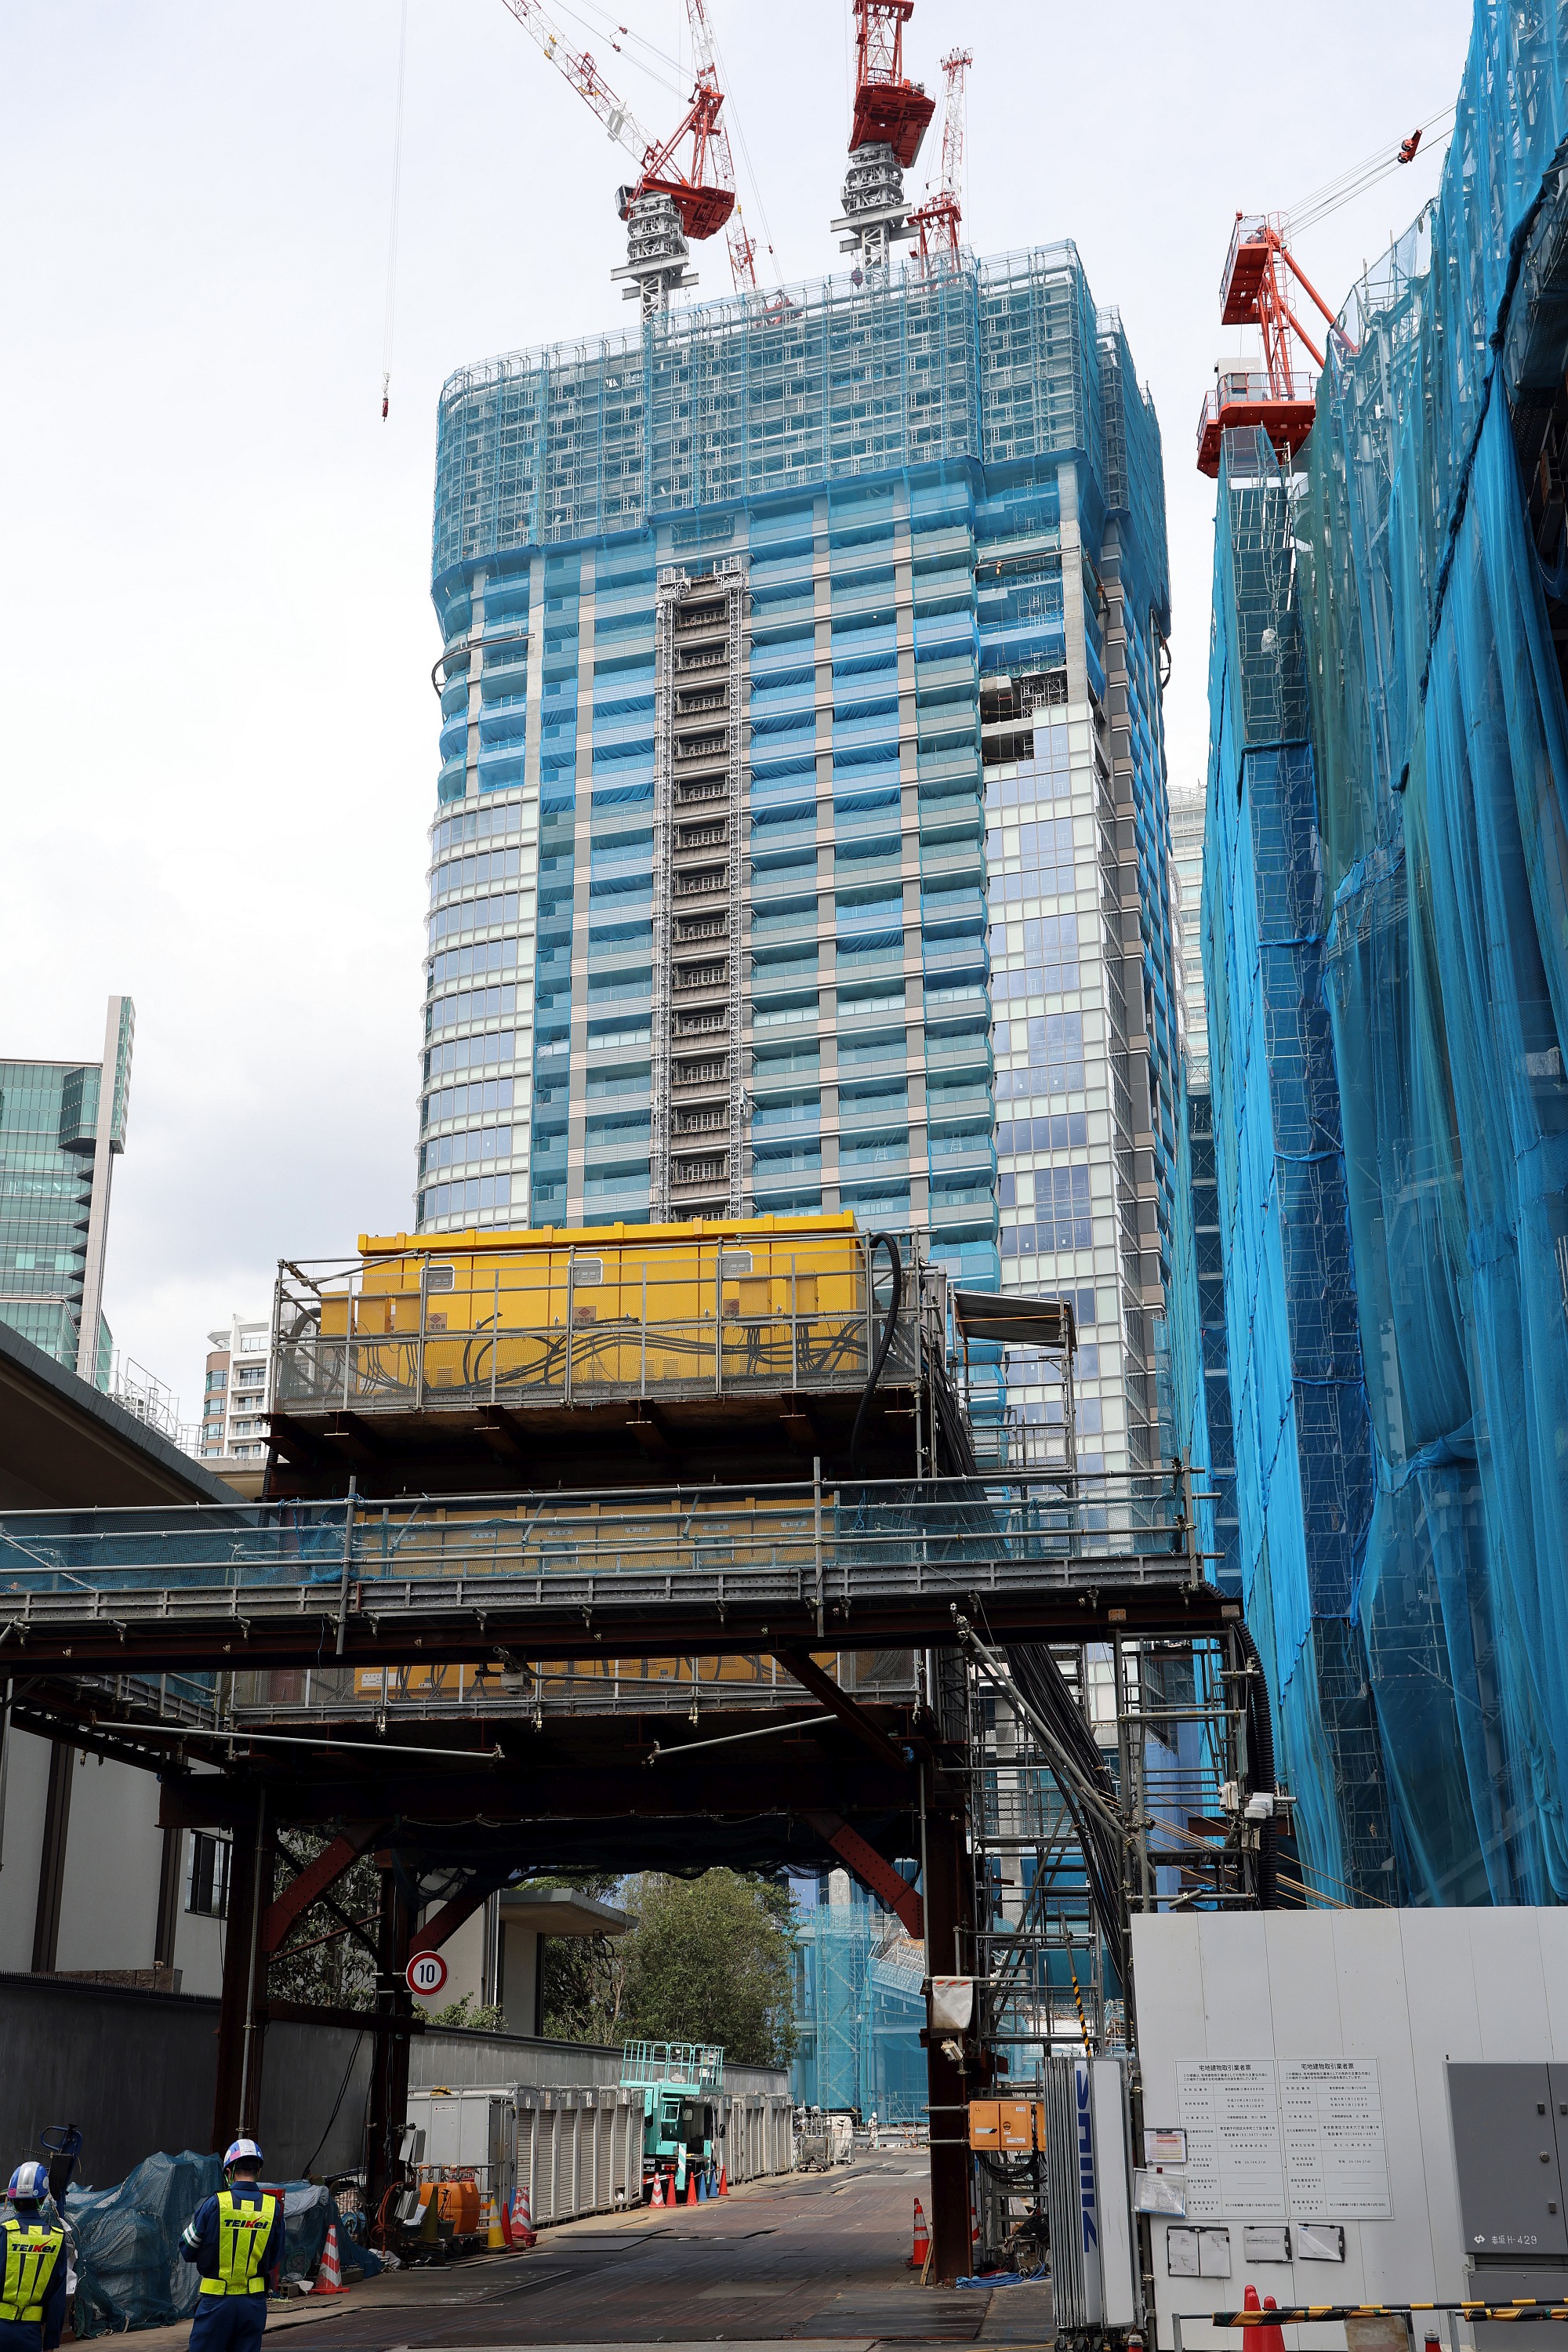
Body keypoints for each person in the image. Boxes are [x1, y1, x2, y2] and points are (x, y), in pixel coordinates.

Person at [179, 2140, 281, 2350]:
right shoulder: (274, 2208)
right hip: (253, 2305)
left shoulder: (215, 2204)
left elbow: (187, 2248)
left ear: (228, 2171)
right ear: (258, 2171)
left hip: (216, 2305)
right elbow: (275, 2256)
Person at [0, 2162, 67, 2352]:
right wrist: (51, 2343)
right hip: (31, 2336)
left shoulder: (4, 2233)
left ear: (11, 2199)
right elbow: (57, 2299)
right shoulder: (56, 2238)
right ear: (44, 2198)